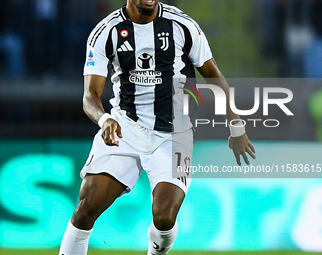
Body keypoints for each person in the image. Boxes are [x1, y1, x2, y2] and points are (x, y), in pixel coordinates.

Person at [58, 0, 256, 254]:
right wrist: (104, 119)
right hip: (125, 129)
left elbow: (213, 75)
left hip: (174, 134)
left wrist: (236, 127)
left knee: (164, 216)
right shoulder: (106, 32)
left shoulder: (182, 25)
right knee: (86, 207)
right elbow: (90, 96)